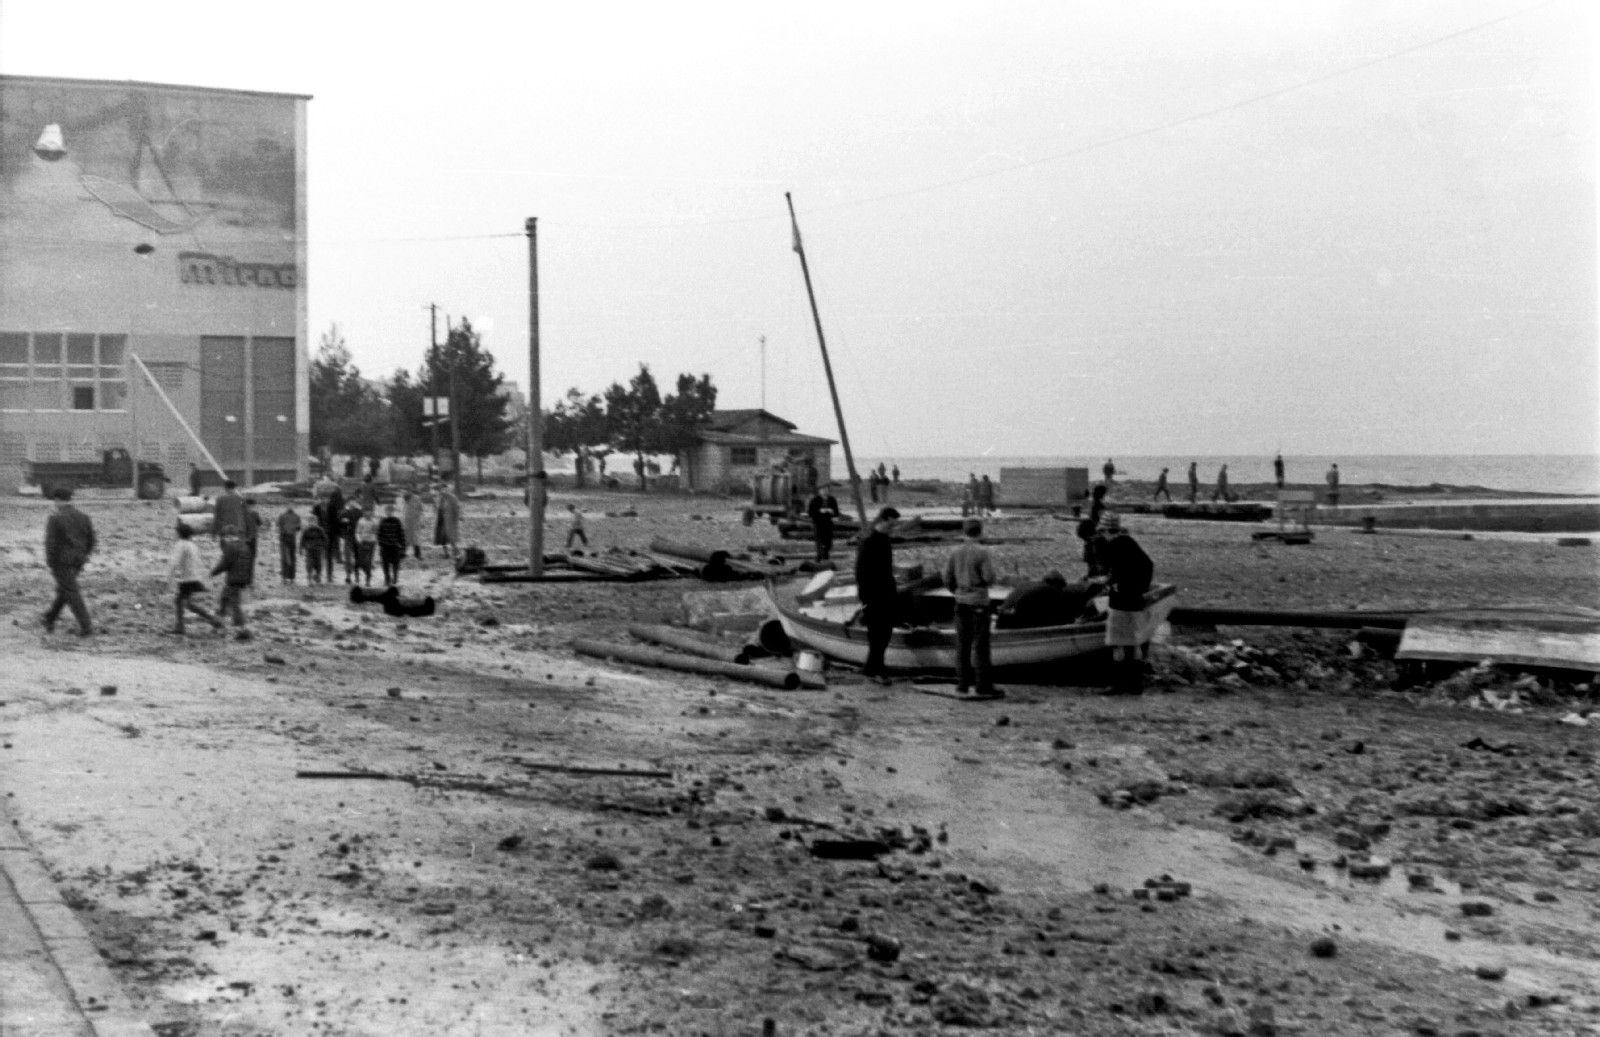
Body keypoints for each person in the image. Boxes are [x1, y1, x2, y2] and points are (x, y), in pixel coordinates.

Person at [1100, 514, 1154, 695]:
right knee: (1132, 644)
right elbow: (1148, 565)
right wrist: (1140, 588)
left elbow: (1114, 572)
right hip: (1135, 600)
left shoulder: (1114, 546)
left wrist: (1117, 585)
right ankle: (1134, 684)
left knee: (1117, 644)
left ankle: (1118, 684)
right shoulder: (1130, 542)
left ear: (1106, 530)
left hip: (1121, 601)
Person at [944, 519, 997, 697]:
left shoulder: (954, 552)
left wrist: (957, 591)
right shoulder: (983, 552)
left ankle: (962, 684)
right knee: (981, 646)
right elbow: (989, 578)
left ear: (964, 532)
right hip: (979, 602)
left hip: (961, 601)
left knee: (963, 644)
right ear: (980, 532)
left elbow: (947, 577)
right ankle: (983, 686)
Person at [853, 507, 900, 684]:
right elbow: (860, 573)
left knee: (884, 632)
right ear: (884, 519)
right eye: (892, 523)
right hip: (873, 595)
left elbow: (886, 570)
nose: (893, 527)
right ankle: (877, 668)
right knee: (877, 634)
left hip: (886, 593)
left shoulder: (885, 540)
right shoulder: (869, 542)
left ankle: (871, 667)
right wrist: (865, 599)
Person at [42, 487, 95, 636]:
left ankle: (87, 627)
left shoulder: (55, 518)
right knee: (65, 590)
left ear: (57, 500)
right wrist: (84, 556)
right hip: (78, 561)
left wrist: (51, 562)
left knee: (71, 592)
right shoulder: (84, 517)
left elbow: (50, 544)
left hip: (61, 562)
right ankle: (49, 618)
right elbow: (91, 540)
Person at [167, 524, 223, 635]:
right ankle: (213, 619)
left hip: (186, 578)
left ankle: (181, 627)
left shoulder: (180, 544)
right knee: (186, 603)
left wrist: (170, 577)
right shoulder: (193, 545)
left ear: (179, 534)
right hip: (195, 576)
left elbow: (174, 562)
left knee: (181, 601)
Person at [996, 570, 1094, 630]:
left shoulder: (1025, 585)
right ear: (1056, 584)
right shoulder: (1050, 590)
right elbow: (1057, 612)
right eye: (1060, 587)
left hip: (1003, 619)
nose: (1060, 590)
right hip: (1019, 622)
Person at [211, 532, 254, 640]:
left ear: (228, 536)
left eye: (224, 537)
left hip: (233, 579)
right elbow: (250, 566)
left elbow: (225, 564)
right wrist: (248, 581)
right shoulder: (246, 546)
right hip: (242, 580)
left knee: (234, 604)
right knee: (224, 599)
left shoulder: (231, 547)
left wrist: (213, 572)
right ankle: (218, 625)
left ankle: (242, 630)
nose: (224, 540)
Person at [806, 486, 841, 563]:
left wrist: (832, 512)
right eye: (823, 490)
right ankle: (819, 556)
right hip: (818, 523)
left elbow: (836, 512)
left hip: (828, 523)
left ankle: (826, 554)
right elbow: (810, 512)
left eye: (826, 490)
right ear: (819, 491)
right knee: (819, 540)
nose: (825, 492)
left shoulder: (832, 500)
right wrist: (820, 511)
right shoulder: (815, 500)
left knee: (828, 540)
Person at [376, 503, 407, 587]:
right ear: (385, 512)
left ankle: (395, 578)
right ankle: (387, 579)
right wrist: (381, 543)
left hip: (395, 546)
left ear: (393, 512)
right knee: (385, 564)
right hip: (385, 547)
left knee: (395, 564)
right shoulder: (382, 521)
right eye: (387, 511)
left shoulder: (397, 521)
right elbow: (379, 534)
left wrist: (403, 547)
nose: (389, 512)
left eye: (390, 511)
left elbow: (401, 534)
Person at [276, 505, 302, 583]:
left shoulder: (283, 516)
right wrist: (292, 528)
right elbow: (298, 528)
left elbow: (278, 525)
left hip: (287, 538)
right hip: (287, 538)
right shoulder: (295, 516)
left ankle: (288, 578)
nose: (290, 507)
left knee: (287, 558)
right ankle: (289, 578)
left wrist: (286, 528)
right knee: (290, 558)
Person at [353, 506, 378, 586]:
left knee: (369, 562)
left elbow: (376, 532)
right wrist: (359, 540)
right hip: (363, 543)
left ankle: (368, 580)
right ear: (364, 512)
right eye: (367, 511)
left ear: (372, 512)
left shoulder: (374, 521)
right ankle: (362, 574)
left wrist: (375, 539)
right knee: (361, 561)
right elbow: (357, 532)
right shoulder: (361, 521)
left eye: (370, 511)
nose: (368, 513)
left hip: (371, 543)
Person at [434, 484, 460, 559]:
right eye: (442, 490)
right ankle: (446, 553)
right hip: (442, 520)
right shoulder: (441, 498)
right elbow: (439, 509)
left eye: (444, 490)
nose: (443, 491)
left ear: (448, 490)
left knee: (451, 537)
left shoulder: (453, 498)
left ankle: (456, 552)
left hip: (450, 521)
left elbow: (456, 510)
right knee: (442, 539)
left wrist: (456, 519)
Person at [341, 502, 364, 583]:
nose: (352, 505)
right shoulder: (346, 513)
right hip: (351, 537)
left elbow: (342, 524)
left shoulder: (357, 512)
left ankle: (353, 575)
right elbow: (341, 524)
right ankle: (351, 576)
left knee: (353, 556)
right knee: (351, 557)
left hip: (354, 537)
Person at [242, 498, 263, 584]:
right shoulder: (255, 513)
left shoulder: (241, 514)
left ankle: (243, 578)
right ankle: (249, 580)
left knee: (243, 558)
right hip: (253, 539)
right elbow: (260, 523)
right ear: (252, 505)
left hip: (243, 539)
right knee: (251, 559)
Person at [402, 488, 424, 560]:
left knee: (415, 538)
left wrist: (421, 519)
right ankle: (403, 553)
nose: (406, 496)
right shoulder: (404, 499)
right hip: (407, 521)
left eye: (408, 492)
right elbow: (403, 510)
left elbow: (421, 509)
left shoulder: (417, 498)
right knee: (407, 538)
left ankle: (417, 554)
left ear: (410, 492)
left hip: (415, 521)